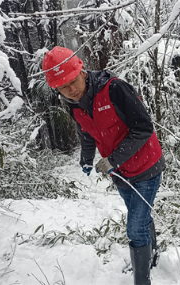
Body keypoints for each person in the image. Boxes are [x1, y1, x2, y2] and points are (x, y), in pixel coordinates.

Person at [42, 47, 165, 285]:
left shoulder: (114, 89)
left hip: (146, 166)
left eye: (73, 81)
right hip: (120, 173)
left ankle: (143, 281)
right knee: (139, 216)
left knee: (135, 227)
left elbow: (143, 128)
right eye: (63, 87)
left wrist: (112, 160)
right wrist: (86, 159)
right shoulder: (74, 104)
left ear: (82, 72)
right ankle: (152, 256)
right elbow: (87, 133)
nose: (71, 90)